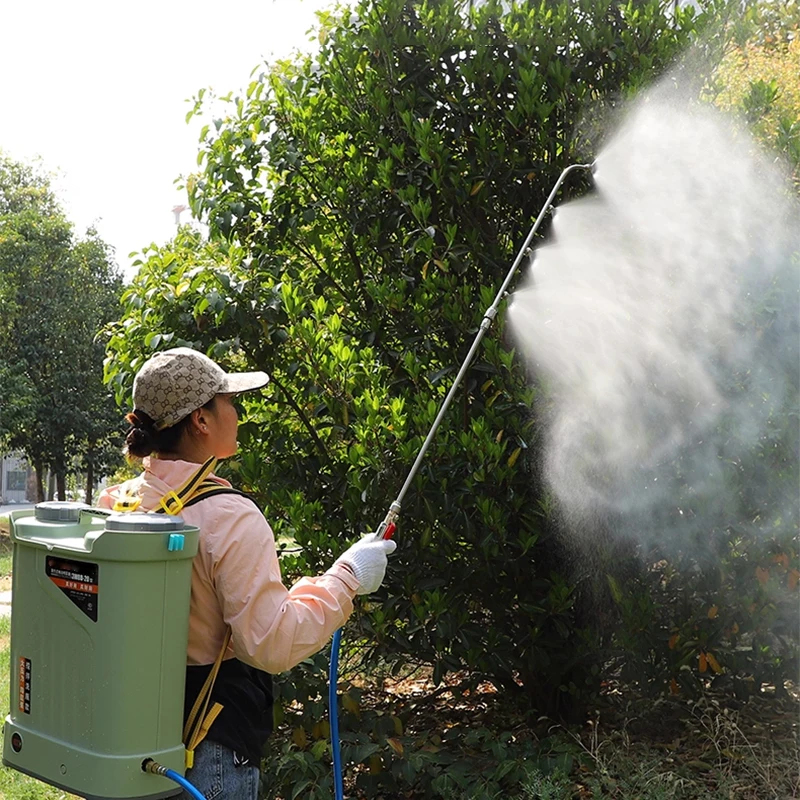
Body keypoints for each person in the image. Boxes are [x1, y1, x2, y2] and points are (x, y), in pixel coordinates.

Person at [97, 347, 396, 800]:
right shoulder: (227, 515)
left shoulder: (116, 503)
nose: (237, 414)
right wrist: (348, 576)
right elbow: (270, 643)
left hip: (126, 742)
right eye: (229, 402)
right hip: (208, 751)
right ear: (201, 419)